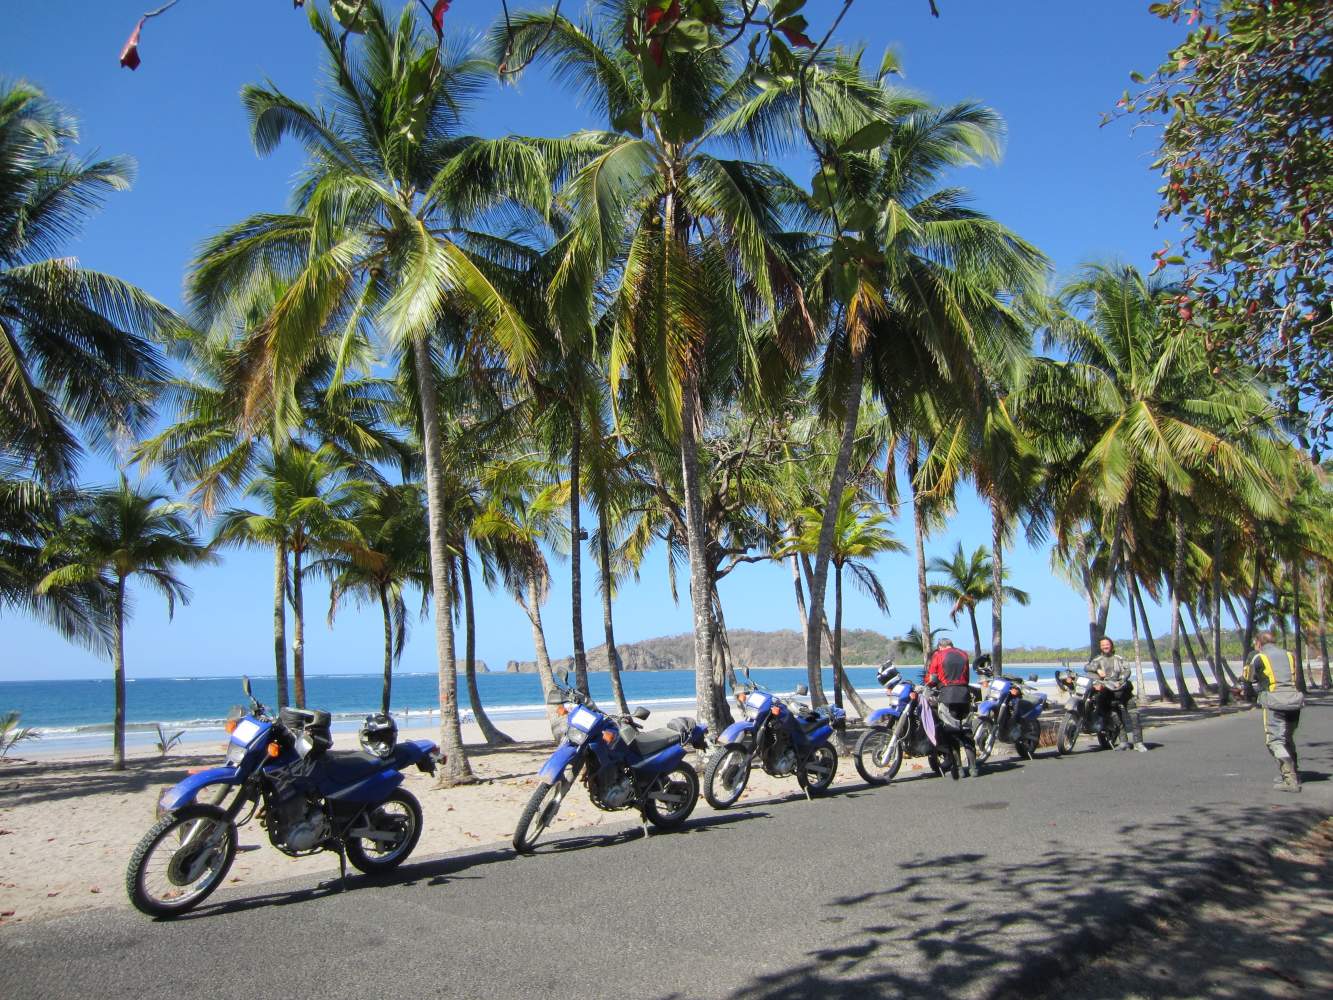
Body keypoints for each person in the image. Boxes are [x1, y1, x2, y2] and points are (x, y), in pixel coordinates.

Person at [1243, 631, 1304, 793]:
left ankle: (1290, 779)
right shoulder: (1289, 655)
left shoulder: (1259, 657)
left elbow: (1248, 677)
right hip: (1294, 702)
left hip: (1274, 702)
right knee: (1287, 738)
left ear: (1258, 643)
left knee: (1275, 741)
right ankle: (1294, 773)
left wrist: (1250, 658)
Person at [925, 637, 978, 774]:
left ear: (941, 647)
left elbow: (932, 678)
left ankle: (959, 769)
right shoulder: (963, 654)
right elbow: (966, 676)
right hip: (964, 695)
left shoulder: (938, 655)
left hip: (947, 696)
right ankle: (973, 768)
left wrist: (930, 685)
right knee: (966, 731)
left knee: (952, 732)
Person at [1086, 636, 1147, 752]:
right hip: (1109, 693)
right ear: (1100, 647)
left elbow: (1127, 670)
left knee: (1134, 716)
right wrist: (1097, 669)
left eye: (1107, 644)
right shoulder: (1097, 660)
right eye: (1103, 645)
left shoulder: (1119, 658)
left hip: (1124, 691)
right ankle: (1123, 742)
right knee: (1115, 717)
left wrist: (1121, 680)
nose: (1105, 646)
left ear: (1111, 645)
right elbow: (1087, 667)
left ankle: (1138, 743)